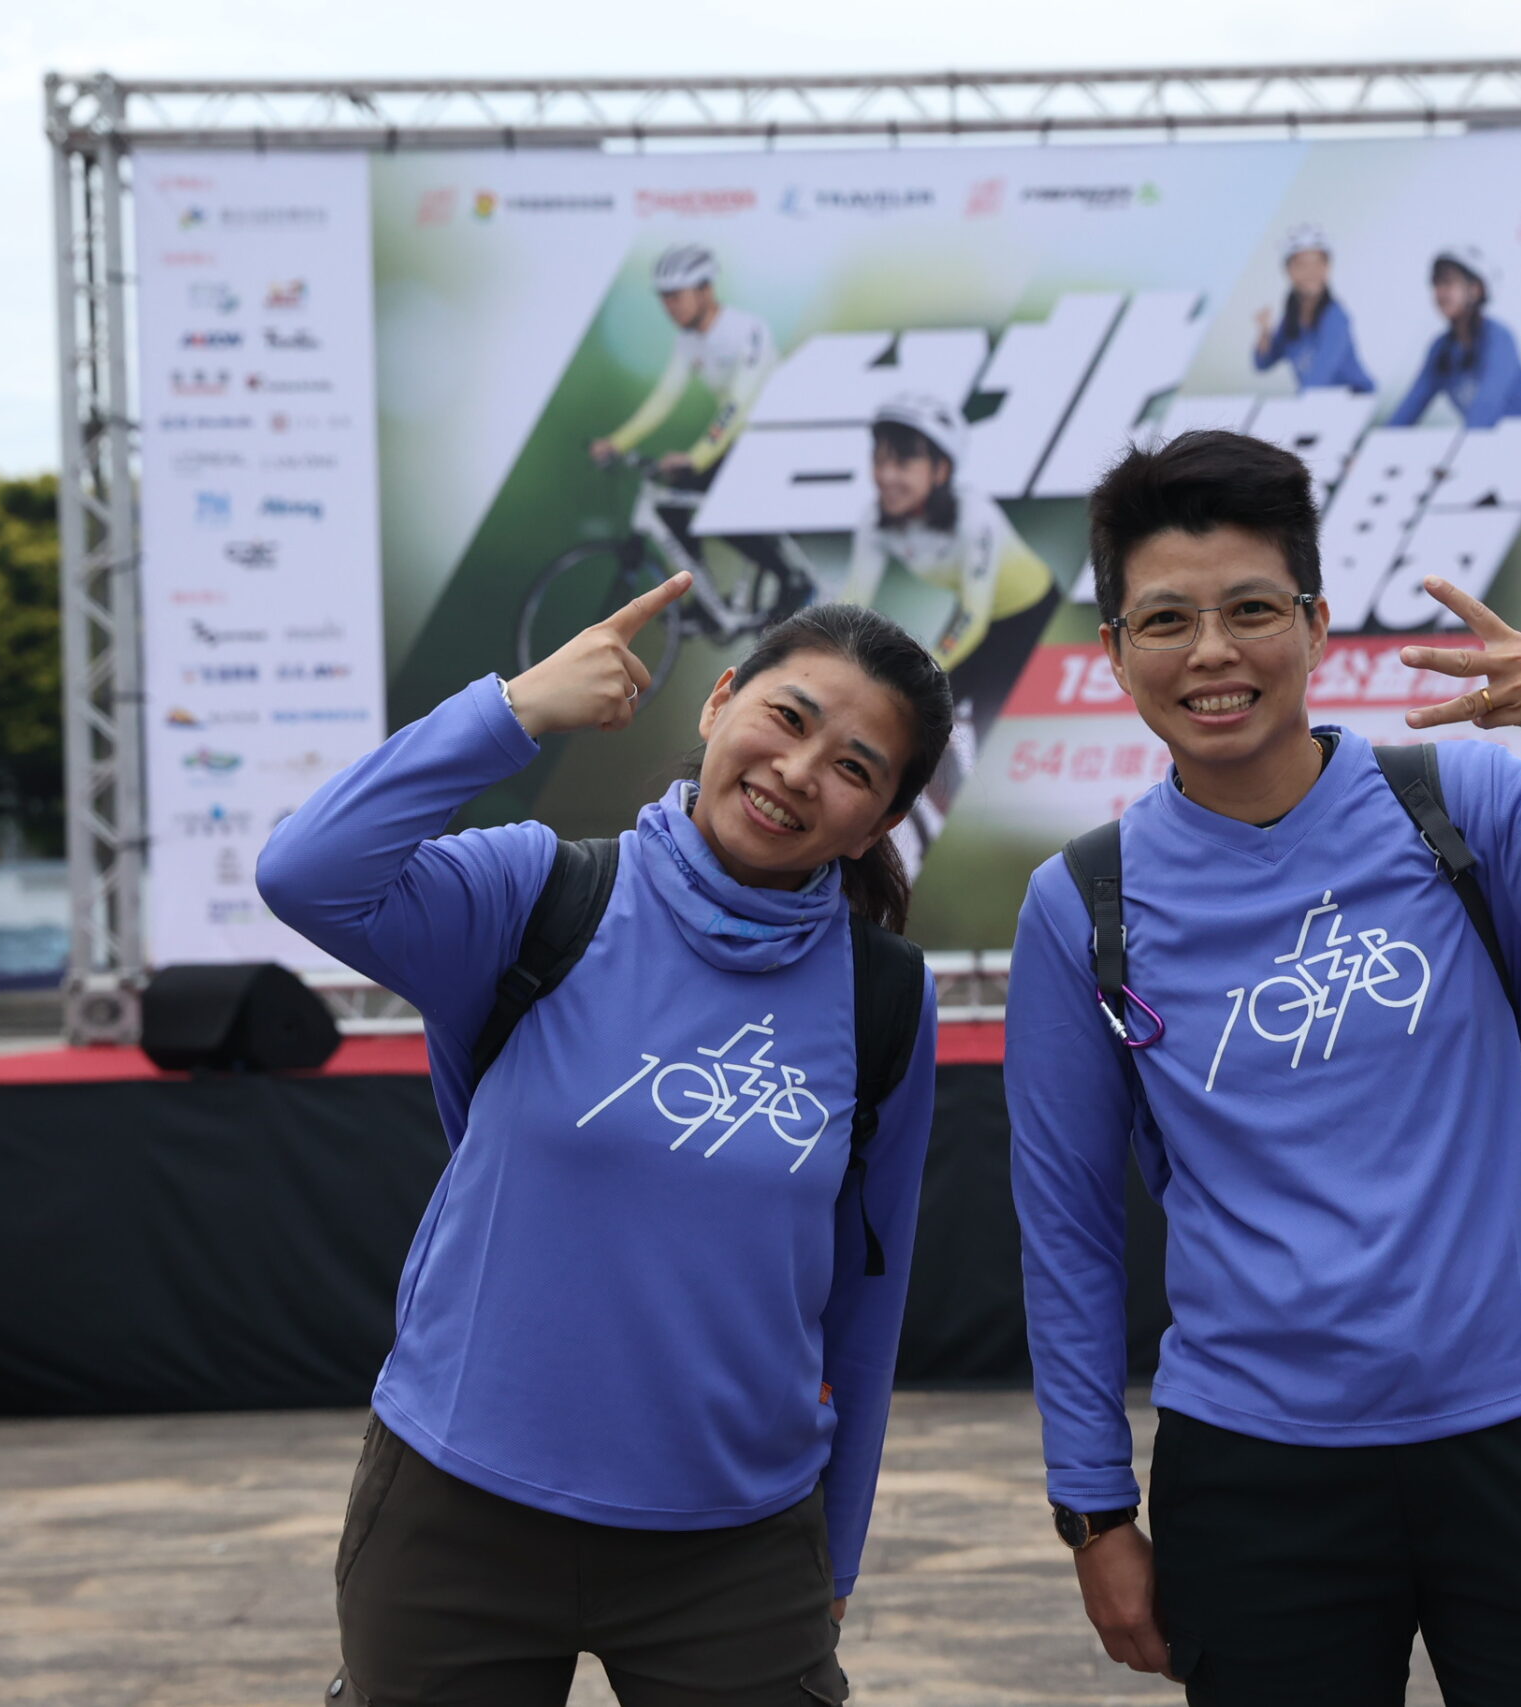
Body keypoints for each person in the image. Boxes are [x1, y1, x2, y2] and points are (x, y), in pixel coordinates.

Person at [1004, 430, 1521, 1705]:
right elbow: (1067, 1225)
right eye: (1167, 620)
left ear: (1313, 626)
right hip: (1257, 1464)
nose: (1212, 652)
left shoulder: (1462, 807)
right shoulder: (1083, 900)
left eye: (1253, 610)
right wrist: (1093, 1511)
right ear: (1115, 652)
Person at [256, 583, 955, 1706]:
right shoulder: (536, 894)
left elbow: (867, 1299)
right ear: (718, 702)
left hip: (736, 1547)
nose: (796, 770)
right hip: (456, 1511)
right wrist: (514, 710)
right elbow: (305, 873)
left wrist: (838, 1549)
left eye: (853, 767)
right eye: (786, 717)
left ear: (876, 824)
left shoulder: (884, 997)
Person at [835, 391, 1059, 877]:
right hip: (980, 622)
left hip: (1030, 616)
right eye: (880, 460)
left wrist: (924, 670)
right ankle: (955, 819)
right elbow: (852, 598)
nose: (887, 475)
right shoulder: (877, 519)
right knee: (924, 718)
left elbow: (972, 618)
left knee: (992, 728)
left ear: (940, 470)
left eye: (904, 462)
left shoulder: (974, 517)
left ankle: (1005, 840)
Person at [590, 244, 789, 583]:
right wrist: (617, 442)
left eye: (676, 295)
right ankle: (701, 594)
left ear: (705, 290)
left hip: (773, 437)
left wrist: (696, 458)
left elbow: (737, 404)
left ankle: (788, 580)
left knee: (718, 514)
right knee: (671, 509)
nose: (669, 306)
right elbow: (664, 398)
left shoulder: (748, 330)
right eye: (663, 297)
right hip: (737, 441)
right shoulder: (688, 340)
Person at [1388, 244, 1521, 429]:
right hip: (1496, 443)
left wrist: (1461, 444)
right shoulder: (1441, 350)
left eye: (1448, 282)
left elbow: (1486, 407)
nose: (1439, 292)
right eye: (1435, 283)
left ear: (1476, 289)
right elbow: (1408, 410)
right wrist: (1378, 443)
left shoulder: (1499, 338)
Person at [1249, 225, 1375, 395]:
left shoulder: (1335, 317)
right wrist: (1265, 332)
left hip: (1353, 398)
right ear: (1288, 270)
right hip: (1318, 400)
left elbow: (1320, 375)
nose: (1311, 272)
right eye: (1302, 265)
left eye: (1318, 263)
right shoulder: (1291, 318)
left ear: (1327, 267)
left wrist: (1300, 405)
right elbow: (1262, 363)